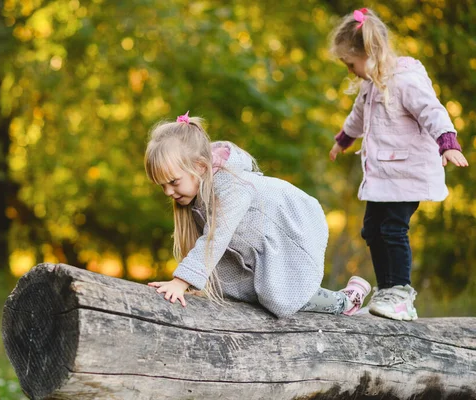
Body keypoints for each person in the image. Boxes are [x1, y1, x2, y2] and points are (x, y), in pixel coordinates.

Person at [145, 111, 371, 318]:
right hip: (259, 244)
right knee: (252, 293)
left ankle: (347, 300)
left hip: (291, 226)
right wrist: (196, 285)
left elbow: (216, 237)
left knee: (284, 296)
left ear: (201, 167)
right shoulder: (198, 196)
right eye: (161, 185)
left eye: (173, 182)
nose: (168, 192)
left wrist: (182, 281)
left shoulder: (229, 185)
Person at [328, 8, 469, 321]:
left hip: (408, 175)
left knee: (393, 229)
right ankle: (388, 289)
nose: (350, 71)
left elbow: (433, 111)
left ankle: (401, 293)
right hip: (382, 177)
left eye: (350, 63)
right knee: (371, 230)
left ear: (368, 53)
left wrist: (447, 143)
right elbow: (357, 118)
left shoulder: (406, 82)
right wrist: (343, 140)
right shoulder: (370, 86)